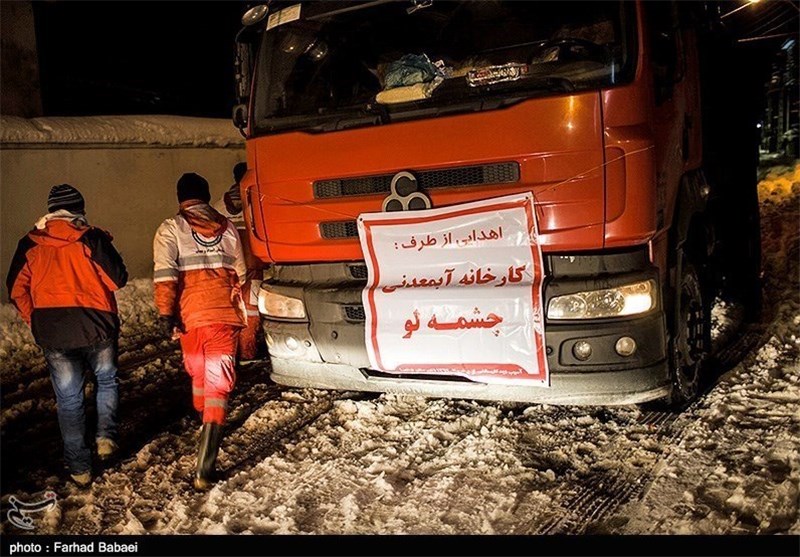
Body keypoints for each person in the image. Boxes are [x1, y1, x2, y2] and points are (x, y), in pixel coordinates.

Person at [6, 184, 128, 487]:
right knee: (107, 380)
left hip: (54, 331)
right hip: (97, 324)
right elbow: (117, 280)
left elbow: (16, 289)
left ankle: (79, 468)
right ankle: (104, 437)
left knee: (69, 400)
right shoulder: (91, 239)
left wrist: (34, 317)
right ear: (78, 210)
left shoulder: (30, 244)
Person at [153, 172, 247, 490]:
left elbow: (165, 276)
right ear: (207, 196)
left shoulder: (170, 229)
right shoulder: (228, 228)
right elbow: (242, 272)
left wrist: (166, 313)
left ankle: (203, 427)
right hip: (223, 316)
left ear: (181, 198)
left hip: (189, 318)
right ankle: (205, 465)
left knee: (198, 372)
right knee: (218, 384)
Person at [213, 162, 264, 362]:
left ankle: (228, 352)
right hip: (253, 268)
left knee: (229, 311)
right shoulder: (259, 205)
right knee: (251, 311)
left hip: (227, 270)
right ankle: (248, 352)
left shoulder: (217, 208)